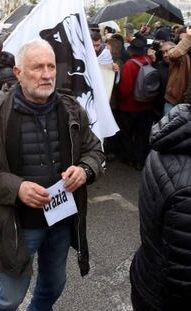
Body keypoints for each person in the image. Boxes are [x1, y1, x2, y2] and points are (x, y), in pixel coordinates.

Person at [0, 39, 105, 310]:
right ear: (18, 73)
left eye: (51, 66)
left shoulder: (70, 107)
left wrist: (85, 170)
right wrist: (17, 188)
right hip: (19, 224)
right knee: (10, 297)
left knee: (54, 286)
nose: (47, 74)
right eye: (37, 67)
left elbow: (94, 151)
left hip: (60, 220)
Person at [130, 104, 191, 311]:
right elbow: (182, 282)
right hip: (161, 297)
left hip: (148, 274)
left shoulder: (173, 137)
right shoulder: (187, 188)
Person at [117, 35, 155, 170]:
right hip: (146, 105)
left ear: (131, 51)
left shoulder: (129, 65)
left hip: (129, 107)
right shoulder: (148, 60)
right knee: (141, 135)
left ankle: (129, 158)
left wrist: (118, 98)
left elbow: (125, 89)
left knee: (127, 133)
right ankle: (140, 160)